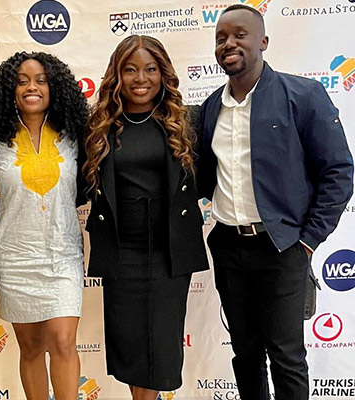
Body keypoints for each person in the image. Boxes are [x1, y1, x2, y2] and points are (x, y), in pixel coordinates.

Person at [198, 5, 354, 400]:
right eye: (221, 38)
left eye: (240, 35)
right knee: (244, 355)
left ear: (263, 42)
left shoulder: (303, 96)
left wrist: (307, 240)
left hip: (283, 248)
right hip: (230, 247)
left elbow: (338, 171)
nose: (229, 44)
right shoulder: (211, 109)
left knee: (286, 357)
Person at [79, 35, 209, 399]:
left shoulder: (185, 121)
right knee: (132, 346)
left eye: (150, 69)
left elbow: (210, 176)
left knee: (161, 348)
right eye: (130, 69)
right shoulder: (100, 125)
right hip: (122, 251)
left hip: (169, 252)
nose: (141, 78)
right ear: (117, 75)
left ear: (163, 73)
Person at [0, 52, 87, 400]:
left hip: (64, 255)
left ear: (55, 88)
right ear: (10, 90)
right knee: (32, 348)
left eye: (40, 80)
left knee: (64, 341)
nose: (31, 87)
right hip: (14, 259)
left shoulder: (75, 136)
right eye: (22, 81)